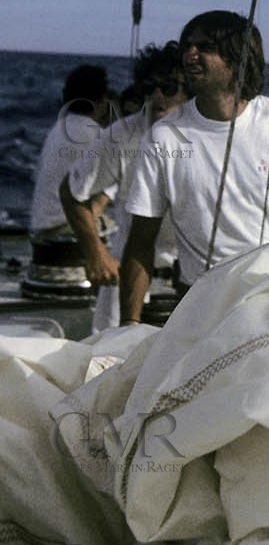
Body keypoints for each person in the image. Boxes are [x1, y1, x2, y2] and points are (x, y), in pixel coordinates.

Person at [120, 10, 269, 321]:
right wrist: (128, 326)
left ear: (238, 58)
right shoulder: (163, 137)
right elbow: (140, 244)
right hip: (199, 305)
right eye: (188, 46)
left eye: (205, 47)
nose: (190, 55)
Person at [60, 41, 186, 331]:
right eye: (148, 88)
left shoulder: (205, 137)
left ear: (188, 91)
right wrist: (95, 252)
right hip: (124, 286)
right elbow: (71, 192)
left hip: (186, 286)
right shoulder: (121, 135)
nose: (157, 96)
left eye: (169, 87)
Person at [29, 63, 112, 240]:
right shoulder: (99, 135)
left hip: (40, 230)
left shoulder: (56, 130)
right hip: (68, 232)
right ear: (103, 99)